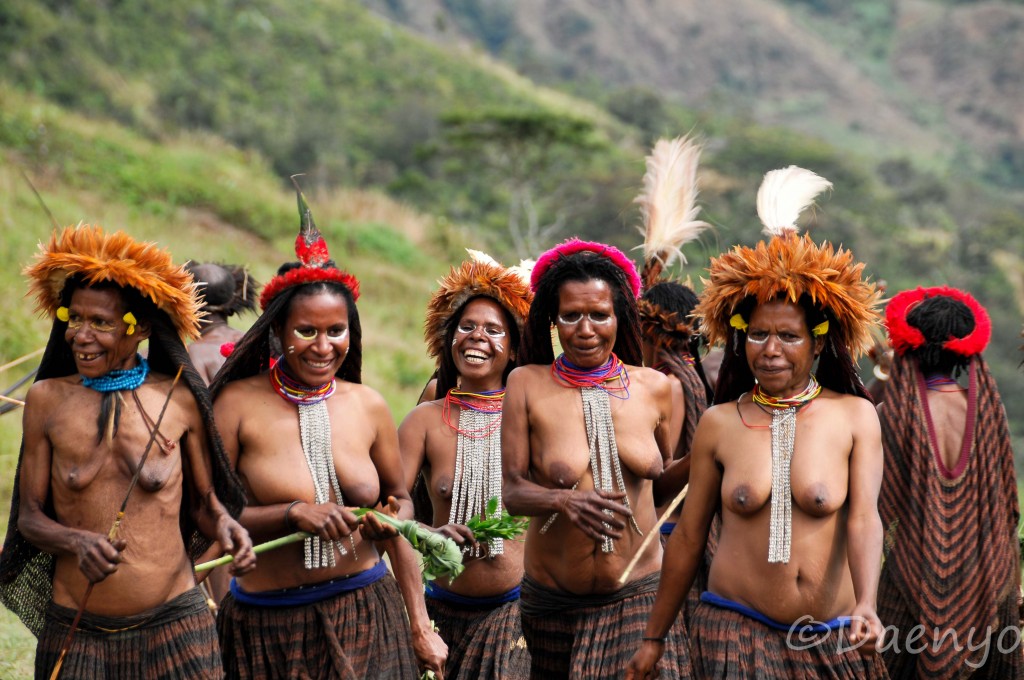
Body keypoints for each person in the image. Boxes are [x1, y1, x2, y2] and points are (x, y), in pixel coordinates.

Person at [627, 166, 888, 678]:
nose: (770, 350)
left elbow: (863, 519)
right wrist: (654, 638)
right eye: (757, 335)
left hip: (832, 636)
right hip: (733, 634)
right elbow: (689, 537)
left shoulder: (855, 416)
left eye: (788, 337)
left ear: (818, 343)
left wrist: (867, 604)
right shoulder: (721, 423)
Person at [210, 184, 445, 679]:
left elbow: (402, 501)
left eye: (336, 331)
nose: (323, 346)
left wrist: (419, 622)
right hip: (269, 628)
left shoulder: (367, 405)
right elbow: (209, 513)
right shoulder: (236, 405)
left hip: (368, 615)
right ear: (278, 332)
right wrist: (291, 512)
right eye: (306, 331)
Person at [0, 224, 255, 679]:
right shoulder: (46, 401)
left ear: (141, 330)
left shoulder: (178, 400)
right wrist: (76, 541)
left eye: (101, 323)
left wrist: (226, 525)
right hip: (78, 632)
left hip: (176, 626)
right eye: (74, 319)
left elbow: (205, 505)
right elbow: (30, 519)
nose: (80, 335)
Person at [502, 237, 689, 679]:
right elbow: (511, 492)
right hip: (552, 605)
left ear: (619, 317)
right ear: (553, 321)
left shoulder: (658, 388)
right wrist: (563, 500)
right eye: (571, 316)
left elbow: (659, 488)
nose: (585, 329)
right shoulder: (526, 384)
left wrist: (704, 457)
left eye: (599, 315)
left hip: (639, 594)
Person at [876, 286, 1022, 678]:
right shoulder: (988, 411)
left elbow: (873, 508)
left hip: (909, 579)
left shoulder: (892, 414)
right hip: (987, 580)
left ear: (908, 347)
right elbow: (1007, 509)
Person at [398, 255, 534, 678]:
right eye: (467, 326)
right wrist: (425, 534)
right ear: (449, 339)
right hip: (438, 612)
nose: (477, 337)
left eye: (494, 330)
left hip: (515, 616)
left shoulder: (532, 420)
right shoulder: (423, 421)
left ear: (514, 349)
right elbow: (387, 515)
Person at [184, 261, 259, 385]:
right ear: (233, 303)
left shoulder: (195, 353)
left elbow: (201, 396)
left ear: (185, 305)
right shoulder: (256, 341)